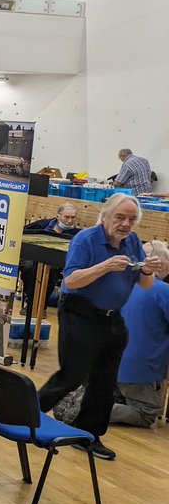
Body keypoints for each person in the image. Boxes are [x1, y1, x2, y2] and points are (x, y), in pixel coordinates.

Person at [37, 194, 163, 460]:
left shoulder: (132, 242)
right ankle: (27, 414)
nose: (126, 224)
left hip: (112, 317)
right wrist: (104, 266)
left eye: (131, 219)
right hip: (79, 312)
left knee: (105, 383)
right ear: (105, 216)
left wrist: (148, 270)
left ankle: (88, 436)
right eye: (120, 217)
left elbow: (146, 285)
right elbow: (71, 281)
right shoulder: (86, 239)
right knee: (73, 374)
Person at [111, 241, 169, 428]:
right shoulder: (163, 291)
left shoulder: (122, 284)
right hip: (141, 368)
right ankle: (93, 409)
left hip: (110, 360)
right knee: (147, 413)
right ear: (161, 263)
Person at [18, 204, 79, 315]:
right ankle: (31, 304)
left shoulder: (76, 234)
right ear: (58, 216)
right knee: (28, 267)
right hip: (33, 256)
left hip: (57, 261)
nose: (70, 221)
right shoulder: (42, 225)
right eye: (66, 217)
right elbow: (23, 234)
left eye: (73, 218)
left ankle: (42, 306)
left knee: (51, 270)